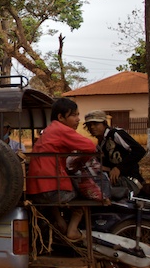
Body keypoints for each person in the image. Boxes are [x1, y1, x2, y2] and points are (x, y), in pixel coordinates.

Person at [26, 97, 99, 240]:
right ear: (60, 117)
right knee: (84, 193)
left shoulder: (49, 130)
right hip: (52, 188)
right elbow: (91, 147)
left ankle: (60, 222)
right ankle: (72, 229)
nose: (78, 119)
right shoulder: (61, 129)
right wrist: (80, 162)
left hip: (35, 188)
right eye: (74, 115)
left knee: (57, 194)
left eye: (78, 115)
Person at [83, 110, 146, 193]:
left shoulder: (115, 134)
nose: (92, 127)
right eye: (89, 125)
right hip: (115, 181)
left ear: (104, 123)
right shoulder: (100, 144)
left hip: (129, 180)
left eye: (96, 124)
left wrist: (119, 168)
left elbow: (139, 151)